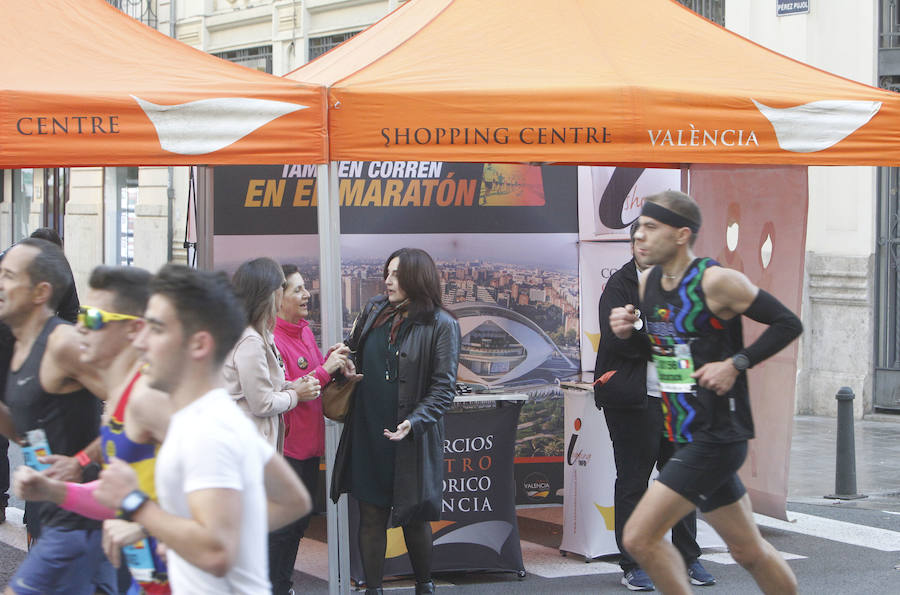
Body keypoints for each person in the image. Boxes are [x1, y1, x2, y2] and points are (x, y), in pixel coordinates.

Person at [610, 191, 802, 595]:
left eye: (650, 227)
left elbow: (787, 323)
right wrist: (630, 329)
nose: (639, 236)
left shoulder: (717, 281)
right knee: (748, 551)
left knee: (639, 538)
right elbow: (670, 349)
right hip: (683, 434)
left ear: (681, 235)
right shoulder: (647, 284)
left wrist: (737, 363)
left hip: (715, 435)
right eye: (638, 228)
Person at [93, 264, 312, 593]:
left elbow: (216, 552)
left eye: (156, 328)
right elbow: (292, 501)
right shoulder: (205, 416)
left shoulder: (207, 430)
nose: (139, 341)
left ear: (198, 344)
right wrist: (176, 531)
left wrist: (136, 505)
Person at [12, 265, 173, 594]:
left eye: (95, 319)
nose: (80, 326)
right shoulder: (117, 398)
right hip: (147, 579)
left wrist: (151, 526)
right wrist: (52, 488)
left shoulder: (151, 398)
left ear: (134, 330)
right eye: (82, 313)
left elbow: (230, 488)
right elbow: (116, 499)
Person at [331, 248, 461, 595]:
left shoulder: (442, 324)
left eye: (396, 274)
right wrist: (343, 360)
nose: (387, 280)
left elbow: (443, 388)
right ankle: (372, 590)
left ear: (417, 279)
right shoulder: (374, 310)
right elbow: (355, 349)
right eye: (387, 272)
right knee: (370, 517)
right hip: (369, 430)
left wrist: (414, 423)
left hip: (411, 438)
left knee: (414, 518)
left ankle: (424, 585)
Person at [595, 222, 714, 592]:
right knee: (634, 481)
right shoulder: (620, 285)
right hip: (634, 399)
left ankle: (688, 557)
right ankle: (633, 563)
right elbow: (619, 341)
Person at [0, 238, 115, 595]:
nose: (0, 285)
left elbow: (136, 407)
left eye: (8, 276)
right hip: (51, 505)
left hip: (79, 518)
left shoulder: (63, 342)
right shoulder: (20, 346)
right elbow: (26, 432)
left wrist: (82, 459)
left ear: (40, 292)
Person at [270, 264, 351, 595]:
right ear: (278, 298)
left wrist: (334, 361)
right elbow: (287, 389)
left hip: (307, 445)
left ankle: (281, 584)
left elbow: (316, 374)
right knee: (284, 528)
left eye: (306, 288)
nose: (307, 295)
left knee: (297, 525)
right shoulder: (271, 341)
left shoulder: (302, 330)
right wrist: (323, 370)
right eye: (298, 290)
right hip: (286, 449)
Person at [223, 257, 320, 451]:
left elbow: (268, 384)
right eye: (281, 290)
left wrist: (292, 385)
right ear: (268, 295)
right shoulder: (250, 341)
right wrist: (295, 394)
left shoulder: (259, 335)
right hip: (249, 448)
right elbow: (263, 403)